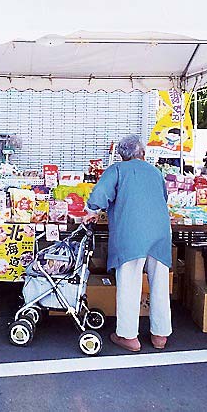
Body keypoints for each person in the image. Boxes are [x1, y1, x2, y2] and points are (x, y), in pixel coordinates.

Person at [84, 135, 172, 352]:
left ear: (122, 155)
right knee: (160, 283)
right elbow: (164, 197)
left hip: (131, 234)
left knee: (130, 283)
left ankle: (128, 336)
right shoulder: (155, 172)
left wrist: (93, 212)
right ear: (142, 153)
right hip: (160, 232)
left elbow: (99, 196)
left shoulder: (117, 170)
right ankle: (160, 335)